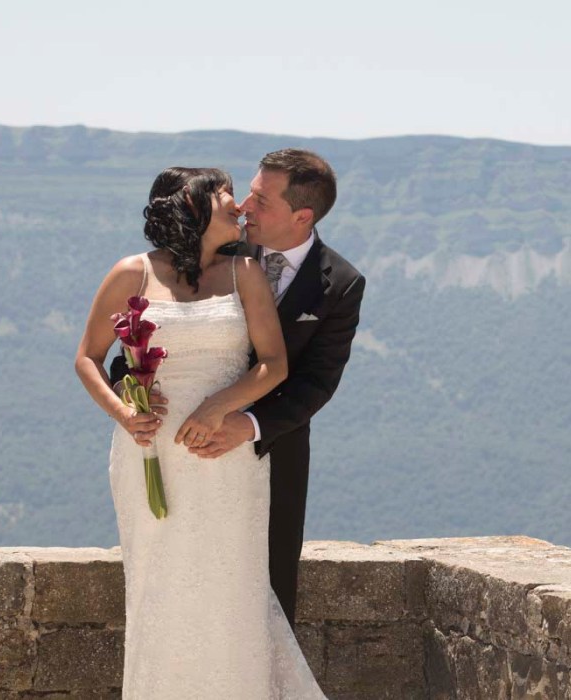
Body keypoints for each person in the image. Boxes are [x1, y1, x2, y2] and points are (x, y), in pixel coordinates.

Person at [76, 166, 327, 697]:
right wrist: (124, 411)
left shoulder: (245, 273)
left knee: (231, 587)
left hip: (226, 456)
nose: (238, 204)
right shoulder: (131, 272)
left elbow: (275, 365)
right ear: (189, 205)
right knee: (157, 587)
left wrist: (220, 407)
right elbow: (88, 359)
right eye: (224, 193)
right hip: (149, 454)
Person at [122, 149, 366, 630]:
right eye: (248, 193)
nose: (243, 206)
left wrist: (248, 425)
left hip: (273, 451)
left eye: (261, 200)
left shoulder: (340, 284)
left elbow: (317, 381)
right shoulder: (213, 249)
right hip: (177, 451)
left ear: (302, 216)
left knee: (266, 594)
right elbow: (133, 347)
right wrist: (130, 395)